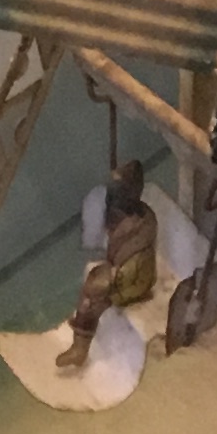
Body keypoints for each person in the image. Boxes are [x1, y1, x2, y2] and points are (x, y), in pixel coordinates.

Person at [56, 154, 160, 370]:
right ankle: (79, 347)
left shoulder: (143, 223)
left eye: (121, 190)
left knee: (94, 294)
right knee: (91, 289)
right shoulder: (121, 215)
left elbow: (135, 265)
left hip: (135, 280)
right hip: (122, 270)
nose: (117, 194)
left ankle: (80, 349)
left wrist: (113, 289)